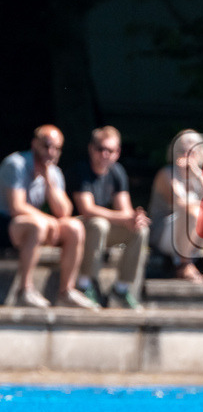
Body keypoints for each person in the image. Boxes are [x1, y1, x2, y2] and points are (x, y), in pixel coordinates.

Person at [0, 125, 99, 309]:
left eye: (56, 148)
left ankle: (67, 291)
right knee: (37, 225)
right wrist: (48, 220)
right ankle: (25, 290)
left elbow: (64, 211)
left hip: (35, 224)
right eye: (46, 146)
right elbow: (16, 207)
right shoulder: (16, 164)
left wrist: (48, 179)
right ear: (34, 144)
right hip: (5, 223)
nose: (51, 152)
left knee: (74, 227)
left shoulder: (53, 171)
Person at [68, 126, 150, 309]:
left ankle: (121, 288)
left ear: (117, 153)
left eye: (110, 150)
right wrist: (123, 218)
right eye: (100, 149)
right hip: (75, 228)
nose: (105, 154)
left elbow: (124, 210)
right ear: (91, 149)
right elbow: (87, 209)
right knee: (99, 224)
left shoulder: (117, 172)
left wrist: (135, 218)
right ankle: (84, 285)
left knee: (140, 230)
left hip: (100, 229)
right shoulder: (81, 170)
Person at [148, 129, 203, 287]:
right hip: (165, 234)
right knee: (194, 213)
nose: (186, 155)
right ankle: (184, 265)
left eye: (192, 151)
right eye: (182, 151)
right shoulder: (166, 175)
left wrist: (195, 172)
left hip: (194, 234)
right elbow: (180, 203)